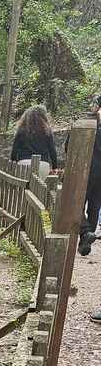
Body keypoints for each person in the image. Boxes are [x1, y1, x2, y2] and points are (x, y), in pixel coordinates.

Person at [80, 94, 101, 260]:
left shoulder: (88, 121)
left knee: (77, 202)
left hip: (87, 169)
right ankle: (86, 240)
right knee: (95, 206)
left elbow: (69, 144)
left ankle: (86, 232)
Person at [9, 104, 59, 171]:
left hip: (24, 163)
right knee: (39, 181)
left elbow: (14, 150)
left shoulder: (21, 130)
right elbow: (52, 150)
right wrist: (55, 167)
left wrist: (13, 162)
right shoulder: (47, 131)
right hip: (43, 164)